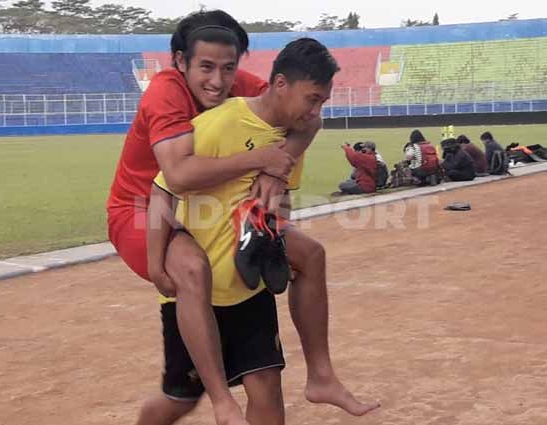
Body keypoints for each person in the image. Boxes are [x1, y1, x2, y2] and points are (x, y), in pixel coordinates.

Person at [107, 11, 375, 425]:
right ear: (180, 60)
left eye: (229, 66)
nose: (218, 80)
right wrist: (261, 158)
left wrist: (275, 169)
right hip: (141, 209)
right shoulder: (166, 93)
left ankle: (321, 374)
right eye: (207, 67)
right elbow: (173, 179)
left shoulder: (246, 89)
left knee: (305, 260)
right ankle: (220, 401)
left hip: (207, 214)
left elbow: (303, 117)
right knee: (192, 276)